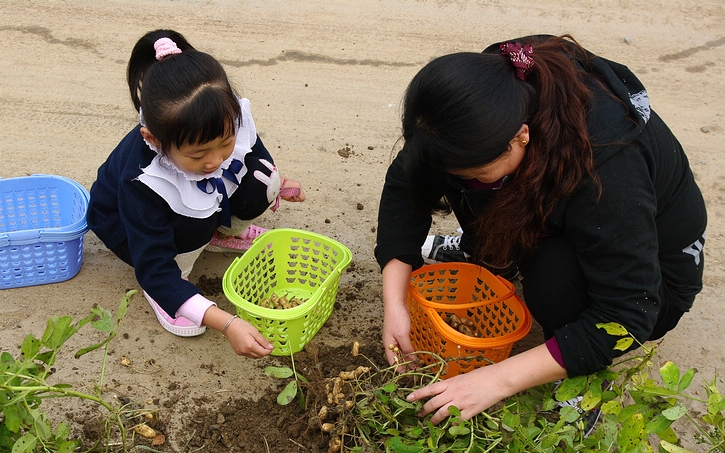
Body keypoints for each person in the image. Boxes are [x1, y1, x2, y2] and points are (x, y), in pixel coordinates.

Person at [375, 35, 706, 424]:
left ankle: (583, 380)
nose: (461, 181)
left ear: (522, 135)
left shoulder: (608, 166)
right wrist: (394, 302)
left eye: (476, 171)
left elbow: (628, 312)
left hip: (656, 282)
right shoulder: (493, 92)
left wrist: (495, 380)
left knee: (551, 278)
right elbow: (405, 184)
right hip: (566, 204)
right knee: (473, 183)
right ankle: (484, 249)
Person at [87, 29, 305, 359]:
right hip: (129, 228)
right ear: (154, 139)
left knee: (262, 179)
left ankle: (220, 232)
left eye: (226, 143)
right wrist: (227, 323)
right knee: (188, 232)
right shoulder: (143, 181)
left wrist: (277, 183)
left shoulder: (222, 119)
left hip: (190, 199)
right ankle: (174, 289)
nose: (215, 161)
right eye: (198, 154)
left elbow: (252, 155)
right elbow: (153, 265)